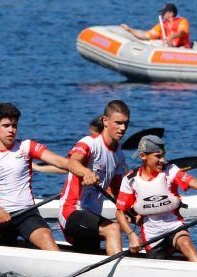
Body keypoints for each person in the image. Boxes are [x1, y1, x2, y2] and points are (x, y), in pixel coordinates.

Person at [0, 103, 98, 250]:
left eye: (14, 125)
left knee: (48, 242)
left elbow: (60, 161)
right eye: (6, 125)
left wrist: (85, 172)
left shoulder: (26, 146)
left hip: (27, 214)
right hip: (1, 216)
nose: (11, 130)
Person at [115, 135, 197, 263]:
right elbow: (119, 212)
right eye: (158, 156)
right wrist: (131, 235)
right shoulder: (130, 180)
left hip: (175, 227)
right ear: (143, 156)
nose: (163, 160)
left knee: (185, 243)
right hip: (152, 236)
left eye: (164, 155)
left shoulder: (171, 171)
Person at [59, 100, 139, 256]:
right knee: (113, 228)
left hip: (92, 217)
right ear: (105, 121)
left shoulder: (119, 156)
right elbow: (72, 162)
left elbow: (118, 193)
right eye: (118, 123)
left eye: (126, 123)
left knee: (92, 254)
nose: (123, 128)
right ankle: (121, 276)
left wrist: (133, 211)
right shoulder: (90, 143)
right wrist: (86, 173)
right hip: (72, 211)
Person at [121, 3, 191, 48]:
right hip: (169, 50)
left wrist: (171, 36)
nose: (162, 15)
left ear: (171, 13)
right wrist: (129, 30)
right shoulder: (162, 25)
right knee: (153, 43)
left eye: (164, 12)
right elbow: (145, 35)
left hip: (182, 49)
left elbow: (182, 32)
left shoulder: (182, 21)